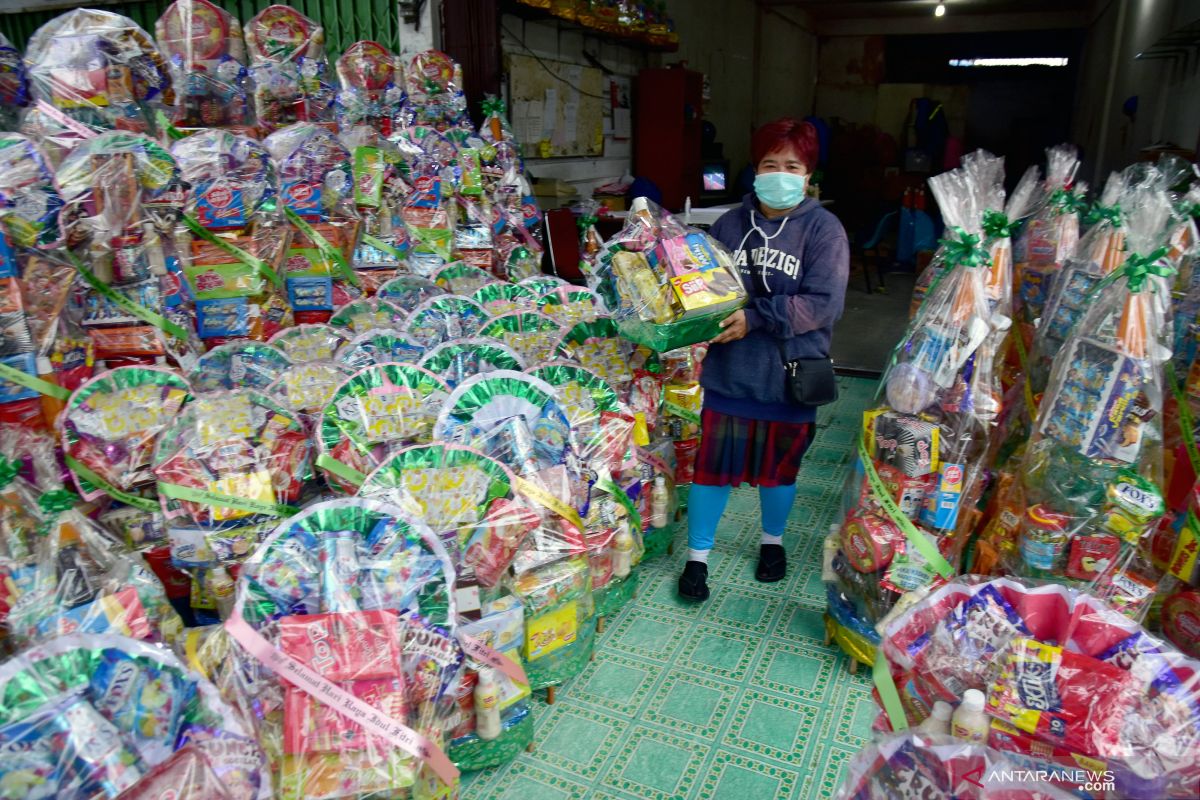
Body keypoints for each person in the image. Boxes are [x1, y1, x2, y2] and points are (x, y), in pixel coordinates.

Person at [678, 117, 849, 601]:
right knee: (711, 470)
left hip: (790, 376)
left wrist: (754, 318)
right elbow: (705, 287)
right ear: (754, 170)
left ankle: (772, 543)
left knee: (779, 473)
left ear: (808, 175)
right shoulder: (731, 224)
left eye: (791, 165)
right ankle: (697, 560)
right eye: (770, 163)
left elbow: (823, 304)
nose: (780, 173)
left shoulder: (823, 230)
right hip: (730, 373)